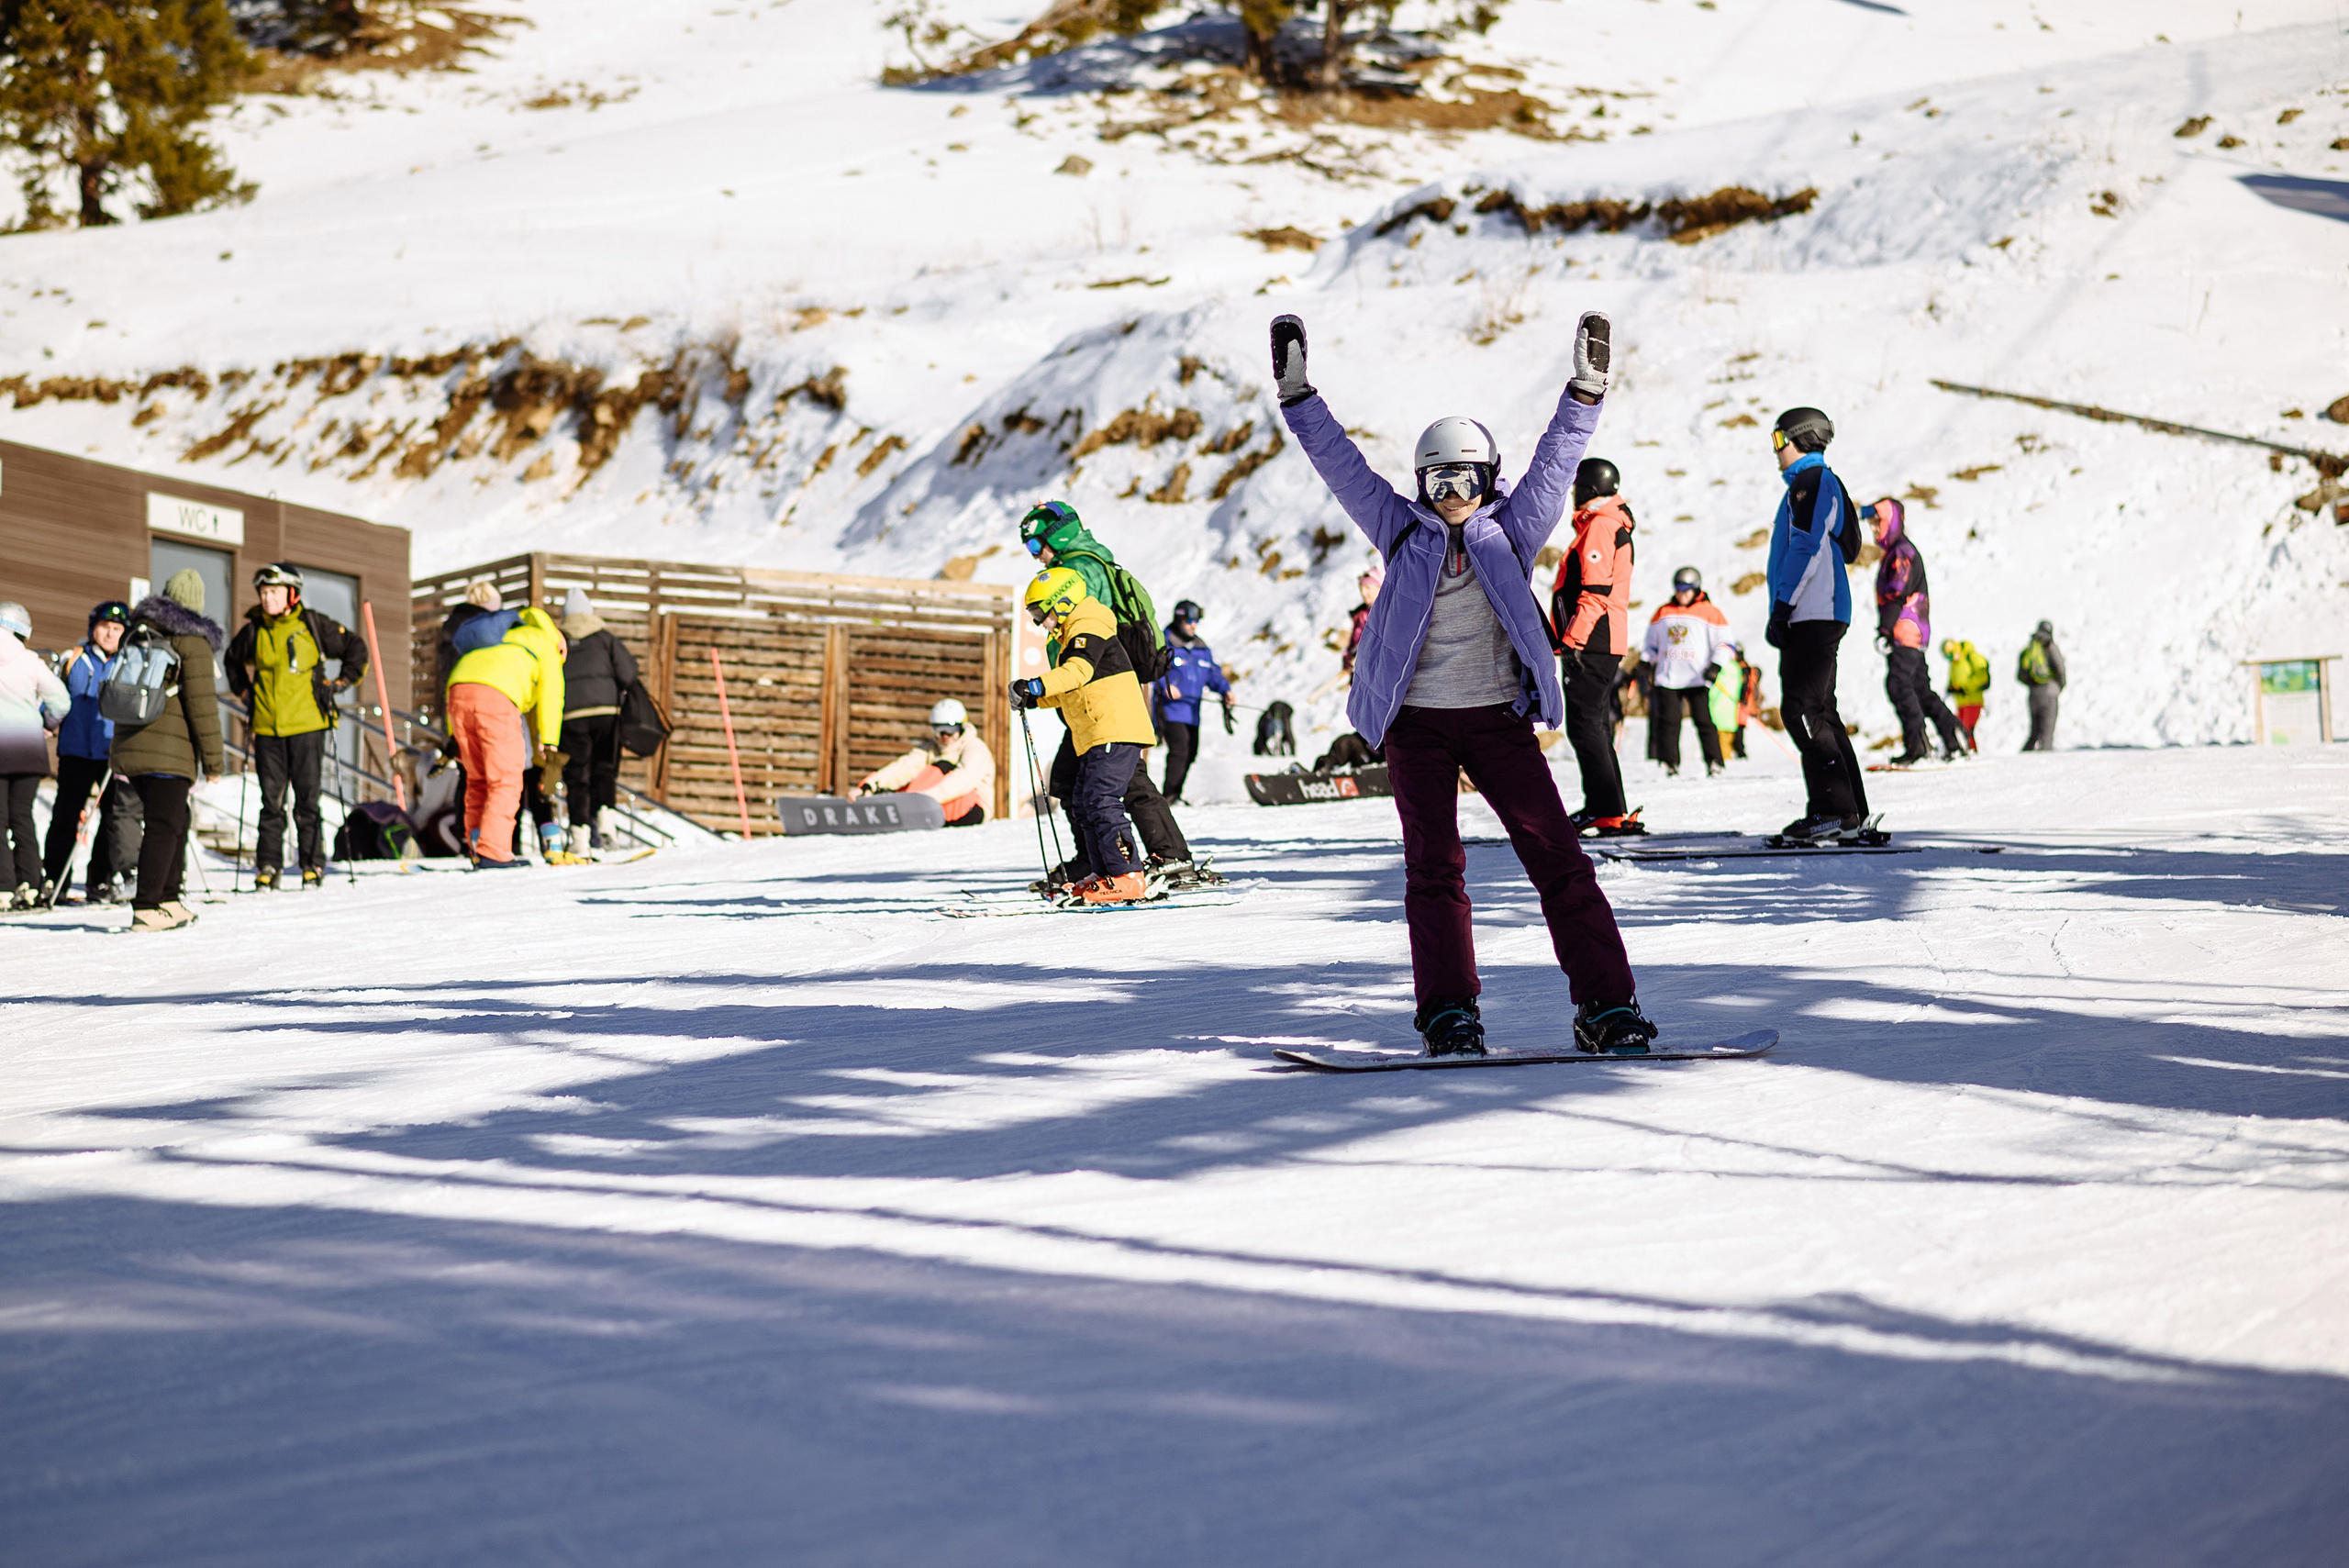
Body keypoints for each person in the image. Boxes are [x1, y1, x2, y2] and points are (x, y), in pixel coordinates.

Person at [1271, 308, 1656, 1058]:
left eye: (1467, 478)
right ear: (1421, 483)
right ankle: (1449, 1012)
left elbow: (1557, 458)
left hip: (1497, 722)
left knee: (1558, 857)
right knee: (1434, 869)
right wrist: (1299, 400)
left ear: (1488, 479)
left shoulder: (1512, 530)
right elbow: (1339, 463)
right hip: (1416, 723)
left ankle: (1608, 1004)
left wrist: (1585, 390)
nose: (1454, 493)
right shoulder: (1401, 529)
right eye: (1440, 479)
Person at [1017, 500, 1201, 883]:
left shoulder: (1076, 571)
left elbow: (1086, 641)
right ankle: (1118, 858)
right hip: (1092, 692)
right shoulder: (1087, 563)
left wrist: (1052, 681)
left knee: (1102, 782)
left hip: (1100, 692)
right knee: (1095, 779)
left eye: (1036, 546)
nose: (1035, 557)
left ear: (1058, 535)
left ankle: (1122, 862)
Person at [1009, 568, 1156, 904]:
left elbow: (1078, 671)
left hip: (1114, 728)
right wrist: (1035, 697)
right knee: (1085, 803)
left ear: (1061, 602)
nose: (1039, 624)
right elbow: (1071, 689)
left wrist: (1035, 684)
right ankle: (1104, 874)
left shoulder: (1088, 624)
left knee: (1102, 801)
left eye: (1039, 614)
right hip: (1095, 731)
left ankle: (1127, 876)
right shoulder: (1071, 633)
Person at [226, 562, 369, 889]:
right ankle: (268, 866)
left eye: (273, 592)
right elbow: (232, 661)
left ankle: (312, 864)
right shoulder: (255, 630)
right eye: (263, 593)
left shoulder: (312, 625)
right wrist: (245, 692)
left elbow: (355, 649)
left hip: (307, 725)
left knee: (307, 799)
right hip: (266, 728)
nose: (266, 599)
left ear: (292, 594)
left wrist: (340, 682)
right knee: (271, 802)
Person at [1764, 406, 1870, 842]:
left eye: (1778, 441)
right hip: (1821, 609)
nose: (1775, 452)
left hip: (1811, 611)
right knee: (1821, 710)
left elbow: (1807, 545)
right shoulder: (1824, 483)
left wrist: (1783, 606)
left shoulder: (1810, 482)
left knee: (1802, 709)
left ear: (1801, 438)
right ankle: (1850, 812)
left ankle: (1832, 811)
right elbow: (1850, 543)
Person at [112, 572, 226, 931]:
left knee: (176, 821)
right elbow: (203, 707)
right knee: (164, 825)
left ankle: (169, 898)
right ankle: (147, 906)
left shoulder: (139, 633)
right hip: (168, 752)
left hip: (132, 744)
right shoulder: (194, 641)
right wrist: (215, 761)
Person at [1551, 455, 1639, 834]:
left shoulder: (1601, 525)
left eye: (1576, 487)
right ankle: (1609, 807)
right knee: (1594, 725)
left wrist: (1573, 642)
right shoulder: (1606, 522)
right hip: (1601, 638)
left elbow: (1595, 592)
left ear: (1588, 488)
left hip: (1594, 640)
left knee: (1585, 726)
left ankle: (1604, 808)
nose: (1573, 493)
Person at [446, 606, 566, 867]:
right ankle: (494, 852)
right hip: (496, 697)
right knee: (507, 779)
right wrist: (550, 742)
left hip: (457, 690)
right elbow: (551, 696)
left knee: (477, 779)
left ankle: (477, 846)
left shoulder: (506, 635)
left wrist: (451, 736)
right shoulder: (547, 644)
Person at [41, 600, 142, 904]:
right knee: (65, 816)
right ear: (92, 628)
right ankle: (54, 879)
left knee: (113, 818)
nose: (110, 634)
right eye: (104, 628)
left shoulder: (129, 663)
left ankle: (99, 880)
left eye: (116, 629)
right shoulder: (74, 659)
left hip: (112, 753)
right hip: (75, 752)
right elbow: (53, 696)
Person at [1866, 500, 1964, 765]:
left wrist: (1885, 629)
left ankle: (1919, 746)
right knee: (1919, 689)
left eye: (1877, 522)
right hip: (1911, 631)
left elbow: (1897, 593)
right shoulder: (1897, 551)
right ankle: (1955, 737)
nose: (1873, 528)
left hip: (1906, 631)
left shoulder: (1902, 553)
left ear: (1890, 522)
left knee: (1898, 685)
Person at [556, 587, 640, 854]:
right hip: (606, 713)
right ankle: (607, 829)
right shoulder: (605, 638)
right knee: (604, 770)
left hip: (571, 715)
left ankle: (579, 838)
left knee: (577, 776)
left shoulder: (557, 641)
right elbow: (628, 673)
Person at [0, 602, 70, 909]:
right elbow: (61, 700)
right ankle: (31, 883)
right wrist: (48, 724)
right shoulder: (31, 661)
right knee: (22, 816)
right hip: (28, 746)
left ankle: (3, 888)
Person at [1641, 566, 1737, 777]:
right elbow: (1651, 644)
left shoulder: (1710, 611)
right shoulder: (1663, 612)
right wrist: (1645, 662)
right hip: (1668, 677)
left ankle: (1714, 762)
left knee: (1703, 721)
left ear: (1696, 589)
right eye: (1678, 589)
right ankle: (1669, 764)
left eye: (1686, 589)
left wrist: (1716, 665)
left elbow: (1727, 644)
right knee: (1669, 722)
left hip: (1697, 677)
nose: (1681, 594)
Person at [858, 697, 996, 825]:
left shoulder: (975, 748)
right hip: (932, 805)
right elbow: (906, 765)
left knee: (940, 767)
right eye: (940, 730)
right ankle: (875, 800)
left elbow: (961, 780)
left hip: (971, 810)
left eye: (951, 729)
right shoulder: (931, 748)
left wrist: (922, 800)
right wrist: (871, 784)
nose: (945, 735)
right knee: (912, 773)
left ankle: (901, 809)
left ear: (961, 727)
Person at [1153, 598, 1232, 804]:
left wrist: (1226, 691)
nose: (1193, 625)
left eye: (1196, 621)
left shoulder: (1201, 648)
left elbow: (1213, 675)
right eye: (1189, 621)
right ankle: (1169, 795)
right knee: (1179, 749)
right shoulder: (1165, 643)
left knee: (1190, 752)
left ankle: (1176, 793)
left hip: (1192, 712)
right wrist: (1166, 685)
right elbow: (1153, 668)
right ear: (1179, 620)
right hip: (1170, 709)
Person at [2019, 620, 2066, 751]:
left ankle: (2022, 759)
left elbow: (2020, 675)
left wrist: (2033, 685)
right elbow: (2060, 668)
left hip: (2033, 694)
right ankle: (2045, 763)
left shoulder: (2030, 648)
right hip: (2049, 691)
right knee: (2047, 731)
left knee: (2034, 732)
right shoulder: (2049, 646)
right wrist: (2059, 686)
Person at [1942, 637, 1988, 751]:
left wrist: (1966, 687)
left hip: (1973, 700)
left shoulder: (1970, 656)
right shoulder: (1954, 663)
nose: (1951, 657)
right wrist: (1952, 688)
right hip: (1960, 702)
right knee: (1960, 728)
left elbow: (1982, 675)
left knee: (1967, 728)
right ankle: (1966, 750)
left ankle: (1971, 751)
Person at [1341, 568, 1381, 674]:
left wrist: (1363, 656)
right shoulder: (1360, 615)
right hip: (1359, 674)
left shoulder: (1384, 612)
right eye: (1361, 588)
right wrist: (1348, 659)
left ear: (1379, 587)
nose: (1363, 593)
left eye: (1368, 588)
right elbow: (1353, 642)